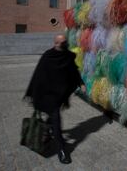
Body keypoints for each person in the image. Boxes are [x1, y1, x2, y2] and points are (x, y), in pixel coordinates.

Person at [24, 34, 85, 164]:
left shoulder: (67, 56)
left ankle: (47, 130)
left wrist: (81, 83)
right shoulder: (47, 56)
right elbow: (38, 76)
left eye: (65, 42)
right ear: (56, 43)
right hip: (46, 95)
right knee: (56, 122)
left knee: (52, 119)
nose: (65, 45)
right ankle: (61, 150)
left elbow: (73, 71)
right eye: (62, 43)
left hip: (59, 95)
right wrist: (34, 94)